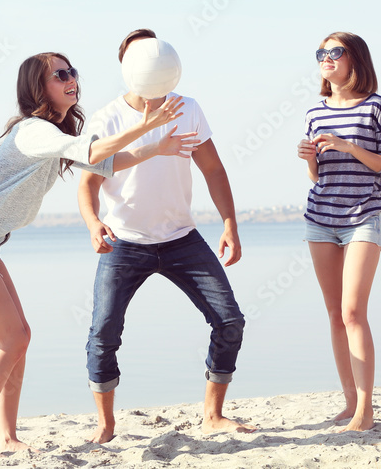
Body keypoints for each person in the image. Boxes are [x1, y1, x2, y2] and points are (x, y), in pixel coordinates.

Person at [0, 51, 197, 461]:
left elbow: (105, 162)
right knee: (12, 338)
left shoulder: (51, 133)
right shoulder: (33, 130)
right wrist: (144, 126)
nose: (71, 78)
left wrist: (156, 146)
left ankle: (6, 436)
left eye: (72, 71)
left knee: (18, 338)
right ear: (39, 89)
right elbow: (92, 152)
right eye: (59, 75)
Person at [79, 29, 256, 443]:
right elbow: (87, 184)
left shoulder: (187, 109)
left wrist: (229, 223)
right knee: (104, 333)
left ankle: (213, 415)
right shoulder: (107, 118)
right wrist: (93, 224)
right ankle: (105, 425)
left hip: (182, 239)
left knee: (229, 320)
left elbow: (213, 169)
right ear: (125, 63)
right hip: (124, 242)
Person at [297, 32, 381, 431]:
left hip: (362, 217)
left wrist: (349, 146)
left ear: (355, 59)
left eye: (334, 52)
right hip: (320, 218)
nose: (326, 58)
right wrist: (309, 158)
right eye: (321, 53)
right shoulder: (314, 112)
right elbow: (316, 175)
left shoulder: (376, 106)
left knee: (353, 311)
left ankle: (366, 410)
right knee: (334, 314)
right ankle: (349, 402)